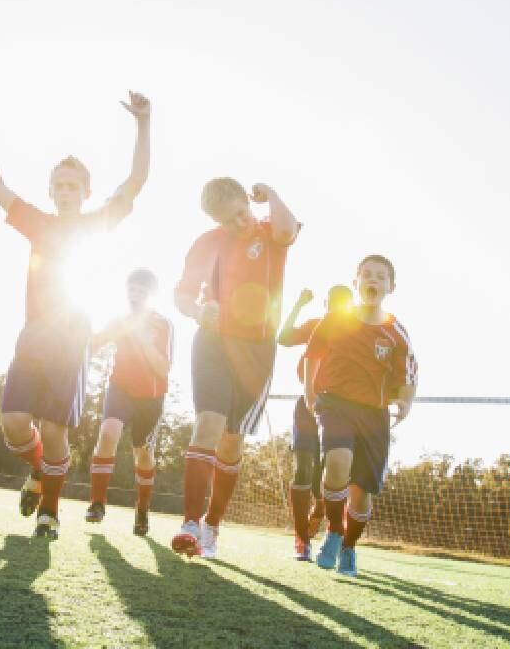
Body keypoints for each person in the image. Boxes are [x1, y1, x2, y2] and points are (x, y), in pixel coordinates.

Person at [0, 92, 151, 539]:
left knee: (54, 428)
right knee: (14, 424)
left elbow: (137, 180)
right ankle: (37, 471)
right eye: (59, 185)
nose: (66, 191)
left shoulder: (97, 223)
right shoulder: (37, 222)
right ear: (50, 191)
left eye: (74, 185)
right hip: (32, 338)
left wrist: (143, 125)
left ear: (85, 192)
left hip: (72, 342)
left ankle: (49, 513)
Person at [171, 177, 299, 558]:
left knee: (232, 439)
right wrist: (197, 310)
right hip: (212, 342)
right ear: (215, 221)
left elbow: (288, 228)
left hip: (257, 351)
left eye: (242, 213)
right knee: (208, 423)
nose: (239, 223)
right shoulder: (206, 244)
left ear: (249, 201)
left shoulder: (271, 233)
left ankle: (212, 525)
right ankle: (190, 524)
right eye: (228, 220)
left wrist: (272, 193)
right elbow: (181, 295)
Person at [304, 254, 418, 577]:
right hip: (335, 403)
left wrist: (405, 402)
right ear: (356, 283)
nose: (373, 280)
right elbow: (312, 353)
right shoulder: (336, 320)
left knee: (362, 492)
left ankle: (349, 548)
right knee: (337, 462)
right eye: (367, 274)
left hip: (374, 414)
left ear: (390, 287)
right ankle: (334, 533)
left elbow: (408, 376)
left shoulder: (396, 333)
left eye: (381, 277)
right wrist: (310, 392)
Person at [86, 268, 174, 536]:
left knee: (143, 454)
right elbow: (92, 345)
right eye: (131, 289)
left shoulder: (163, 325)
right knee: (108, 432)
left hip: (151, 397)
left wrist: (143, 341)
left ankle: (142, 509)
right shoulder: (119, 321)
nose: (134, 295)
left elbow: (163, 369)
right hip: (120, 387)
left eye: (141, 291)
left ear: (152, 296)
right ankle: (97, 503)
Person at [276, 284, 353, 560]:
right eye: (332, 302)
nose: (336, 308)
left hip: (338, 411)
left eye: (342, 304)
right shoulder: (316, 326)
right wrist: (298, 302)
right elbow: (283, 338)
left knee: (330, 476)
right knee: (303, 471)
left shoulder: (357, 334)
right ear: (325, 304)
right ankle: (301, 538)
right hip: (308, 406)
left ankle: (322, 515)